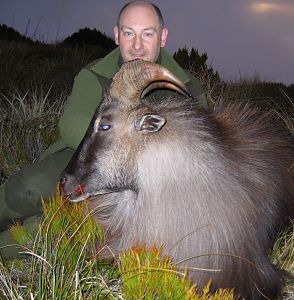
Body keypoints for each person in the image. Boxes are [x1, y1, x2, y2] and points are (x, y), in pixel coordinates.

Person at [0, 0, 207, 259]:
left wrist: (132, 164)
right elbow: (71, 123)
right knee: (28, 187)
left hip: (148, 183)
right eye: (129, 33)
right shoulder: (96, 73)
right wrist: (118, 145)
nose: (137, 45)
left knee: (58, 226)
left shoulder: (187, 88)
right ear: (117, 35)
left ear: (163, 37)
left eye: (147, 34)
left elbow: (197, 151)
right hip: (80, 153)